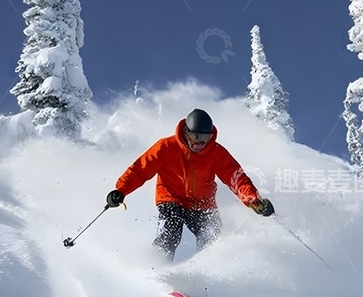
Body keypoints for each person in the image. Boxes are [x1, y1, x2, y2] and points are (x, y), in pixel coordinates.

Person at [105, 108, 274, 260]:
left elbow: (236, 178)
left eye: (205, 138)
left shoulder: (215, 153)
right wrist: (121, 190)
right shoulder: (166, 147)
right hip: (171, 198)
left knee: (214, 239)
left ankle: (208, 281)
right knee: (171, 232)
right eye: (196, 137)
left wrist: (253, 199)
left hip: (202, 204)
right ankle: (157, 268)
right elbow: (140, 170)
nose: (200, 144)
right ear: (186, 132)